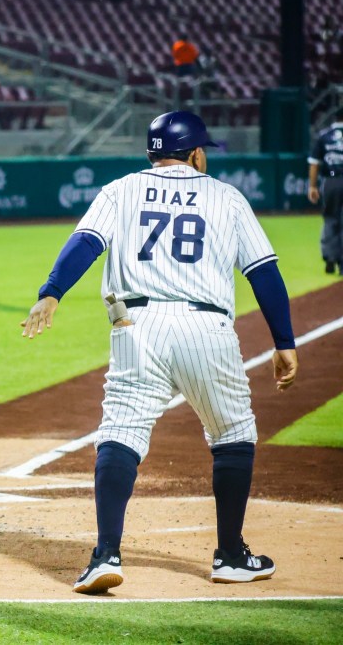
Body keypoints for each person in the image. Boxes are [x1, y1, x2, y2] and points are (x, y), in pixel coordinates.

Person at [20, 111, 298, 594]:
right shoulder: (225, 196)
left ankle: (106, 553)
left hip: (135, 325)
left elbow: (85, 243)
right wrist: (284, 341)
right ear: (194, 153)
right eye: (203, 148)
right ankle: (231, 555)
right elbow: (263, 272)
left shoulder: (121, 189)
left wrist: (51, 292)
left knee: (121, 431)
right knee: (232, 431)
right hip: (206, 326)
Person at [307, 117, 343, 275]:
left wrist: (313, 186)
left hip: (331, 181)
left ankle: (329, 257)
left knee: (330, 219)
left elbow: (314, 163)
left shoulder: (324, 135)